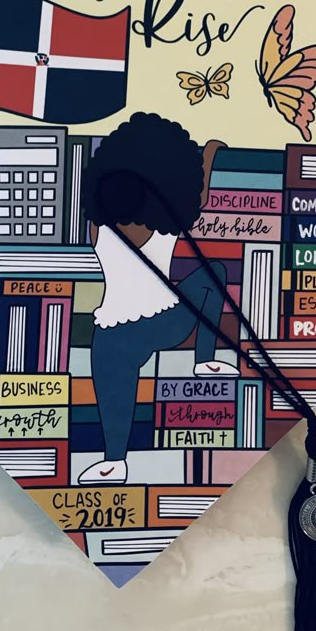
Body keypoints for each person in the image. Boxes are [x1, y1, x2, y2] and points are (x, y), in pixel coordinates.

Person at [77, 111, 239, 486]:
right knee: (213, 272)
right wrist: (208, 155)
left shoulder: (99, 226)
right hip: (168, 323)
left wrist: (209, 156)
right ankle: (205, 361)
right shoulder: (171, 218)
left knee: (112, 383)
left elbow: (193, 196)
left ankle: (114, 461)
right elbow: (197, 196)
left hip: (122, 335)